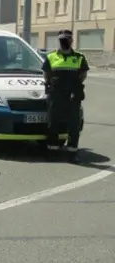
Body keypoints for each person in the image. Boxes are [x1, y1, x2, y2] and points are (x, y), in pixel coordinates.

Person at [42, 29, 88, 163]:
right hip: (56, 95)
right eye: (62, 39)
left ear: (71, 40)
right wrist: (50, 84)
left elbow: (83, 74)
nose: (65, 41)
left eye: (67, 39)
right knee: (53, 123)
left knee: (74, 124)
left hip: (73, 95)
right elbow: (46, 74)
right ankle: (52, 151)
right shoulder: (51, 57)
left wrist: (75, 86)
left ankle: (72, 153)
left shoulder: (79, 57)